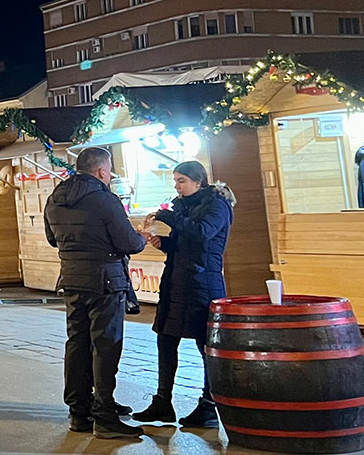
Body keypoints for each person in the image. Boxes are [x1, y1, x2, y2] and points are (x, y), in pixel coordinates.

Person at [43, 147, 147, 439]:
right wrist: (143, 236)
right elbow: (129, 242)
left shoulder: (55, 198)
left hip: (72, 280)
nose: (110, 174)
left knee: (77, 343)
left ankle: (79, 411)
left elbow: (52, 239)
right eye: (109, 169)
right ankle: (104, 414)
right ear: (102, 170)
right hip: (105, 282)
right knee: (106, 345)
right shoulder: (105, 200)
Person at [131, 161, 235, 429]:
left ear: (198, 181)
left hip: (203, 283)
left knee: (205, 346)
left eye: (181, 181)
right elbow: (185, 242)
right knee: (166, 340)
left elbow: (203, 234)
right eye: (175, 181)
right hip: (176, 280)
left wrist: (168, 216)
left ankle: (209, 406)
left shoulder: (217, 204)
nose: (176, 186)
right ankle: (163, 401)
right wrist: (165, 243)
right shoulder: (186, 206)